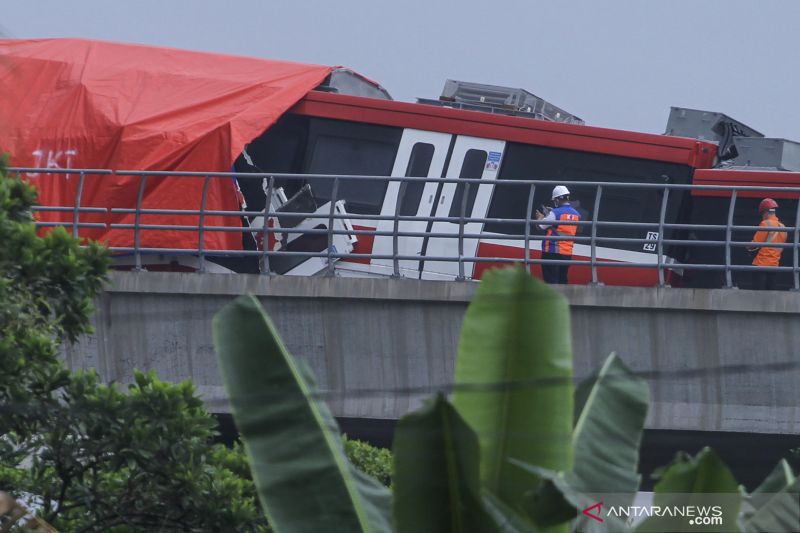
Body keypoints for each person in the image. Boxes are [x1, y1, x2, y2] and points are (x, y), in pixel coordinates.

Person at [535, 185, 581, 284]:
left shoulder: (555, 213)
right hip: (567, 253)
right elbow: (563, 227)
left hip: (551, 252)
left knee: (550, 281)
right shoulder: (576, 214)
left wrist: (540, 217)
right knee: (562, 280)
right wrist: (552, 213)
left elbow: (540, 227)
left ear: (556, 199)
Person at [747, 198, 787, 290]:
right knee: (770, 294)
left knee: (758, 294)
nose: (762, 216)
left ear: (765, 212)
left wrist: (748, 245)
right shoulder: (783, 227)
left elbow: (755, 244)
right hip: (774, 265)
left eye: (762, 214)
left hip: (761, 264)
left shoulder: (765, 224)